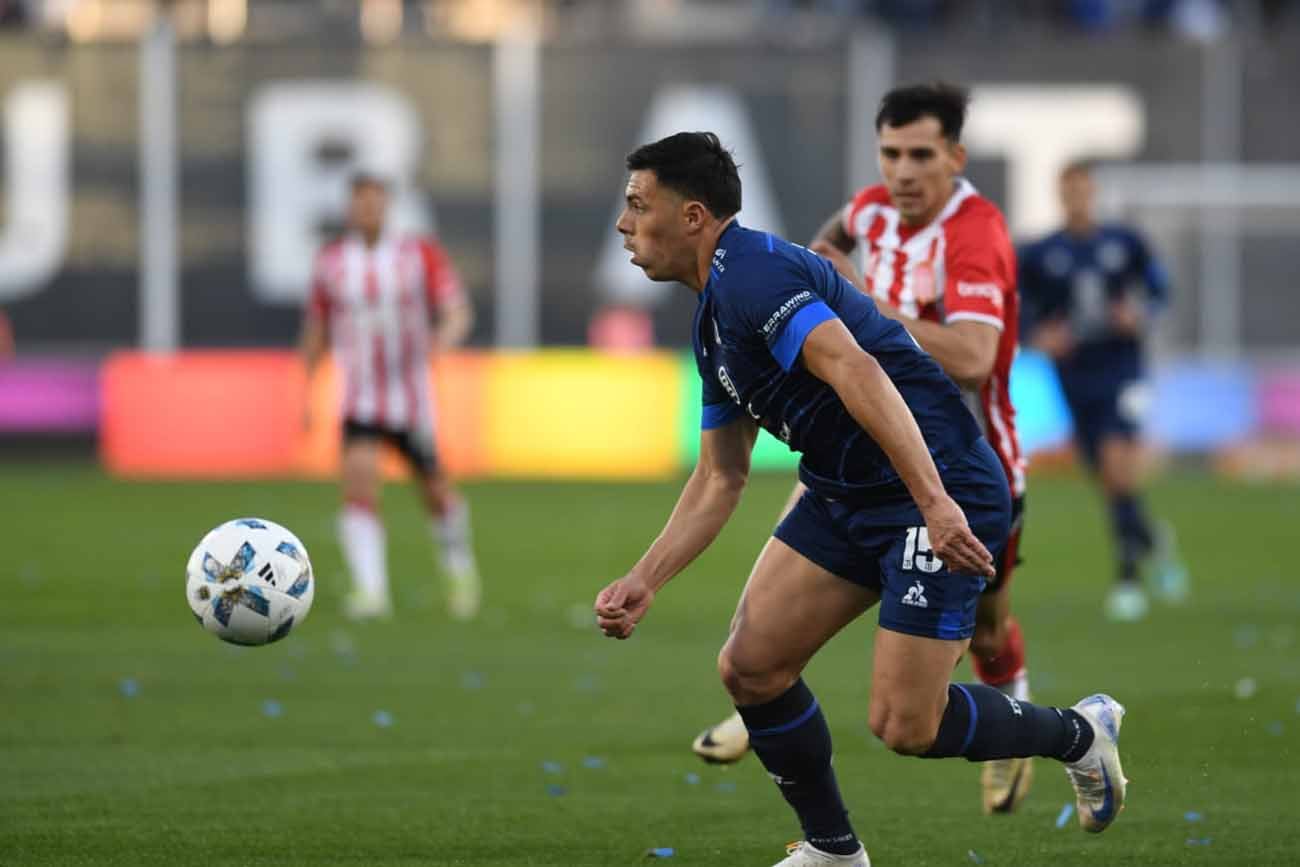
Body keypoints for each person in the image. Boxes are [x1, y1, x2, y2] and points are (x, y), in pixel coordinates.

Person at [594, 131, 1127, 866]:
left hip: (933, 483)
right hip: (847, 492)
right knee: (750, 665)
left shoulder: (755, 276)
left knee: (908, 724)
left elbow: (858, 371)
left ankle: (1080, 733)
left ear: (691, 216)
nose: (623, 222)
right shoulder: (713, 317)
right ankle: (833, 850)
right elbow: (721, 475)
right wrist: (643, 578)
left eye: (636, 204)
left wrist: (938, 505)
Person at [694, 82, 1034, 816]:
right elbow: (833, 237)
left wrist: (856, 308)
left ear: (955, 157)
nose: (903, 172)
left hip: (966, 457)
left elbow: (974, 357)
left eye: (920, 155)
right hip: (863, 438)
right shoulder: (874, 206)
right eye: (890, 154)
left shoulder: (975, 234)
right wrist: (820, 269)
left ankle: (1017, 725)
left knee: (986, 626)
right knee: (799, 546)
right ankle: (759, 687)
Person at [300, 173, 481, 622]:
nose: (368, 211)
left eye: (375, 203)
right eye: (360, 203)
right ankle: (370, 591)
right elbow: (317, 328)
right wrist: (307, 391)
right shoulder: (332, 262)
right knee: (359, 487)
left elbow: (457, 309)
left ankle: (459, 569)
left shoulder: (417, 254)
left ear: (387, 207)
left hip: (410, 398)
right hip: (359, 398)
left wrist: (443, 338)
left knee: (435, 491)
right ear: (350, 208)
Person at [1019, 160, 1187, 622]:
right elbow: (1014, 306)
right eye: (1069, 190)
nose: (1077, 198)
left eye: (1084, 190)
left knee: (1116, 464)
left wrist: (1142, 314)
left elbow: (1159, 289)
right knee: (1104, 472)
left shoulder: (1123, 242)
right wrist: (1036, 336)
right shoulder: (1041, 253)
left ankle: (1128, 578)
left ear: (1093, 194)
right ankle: (1152, 538)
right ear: (1060, 194)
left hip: (1122, 368)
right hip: (1074, 374)